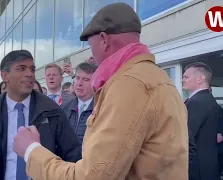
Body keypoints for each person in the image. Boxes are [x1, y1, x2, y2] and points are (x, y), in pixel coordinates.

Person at [13, 3, 188, 180]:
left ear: (104, 39)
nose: (93, 54)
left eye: (91, 46)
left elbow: (92, 176)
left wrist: (31, 150)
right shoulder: (159, 78)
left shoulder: (128, 85)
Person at [0, 50, 81, 180]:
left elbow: (72, 156)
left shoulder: (52, 112)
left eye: (32, 69)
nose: (29, 74)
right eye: (21, 69)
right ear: (5, 76)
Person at [182, 62, 221, 180]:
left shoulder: (197, 102)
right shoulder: (207, 99)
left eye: (186, 77)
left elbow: (187, 137)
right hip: (207, 166)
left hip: (197, 169)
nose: (182, 80)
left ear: (201, 78)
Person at [61, 62, 97, 144]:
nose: (79, 83)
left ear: (95, 82)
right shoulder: (65, 108)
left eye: (86, 79)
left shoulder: (101, 108)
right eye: (77, 78)